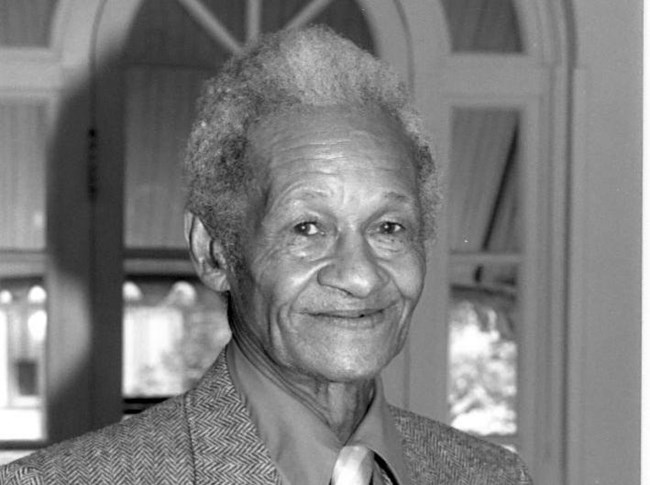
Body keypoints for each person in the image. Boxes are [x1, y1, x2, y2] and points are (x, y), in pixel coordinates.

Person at [1, 26, 531, 484]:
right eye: (308, 228)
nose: (361, 276)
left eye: (389, 227)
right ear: (214, 252)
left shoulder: (495, 477)